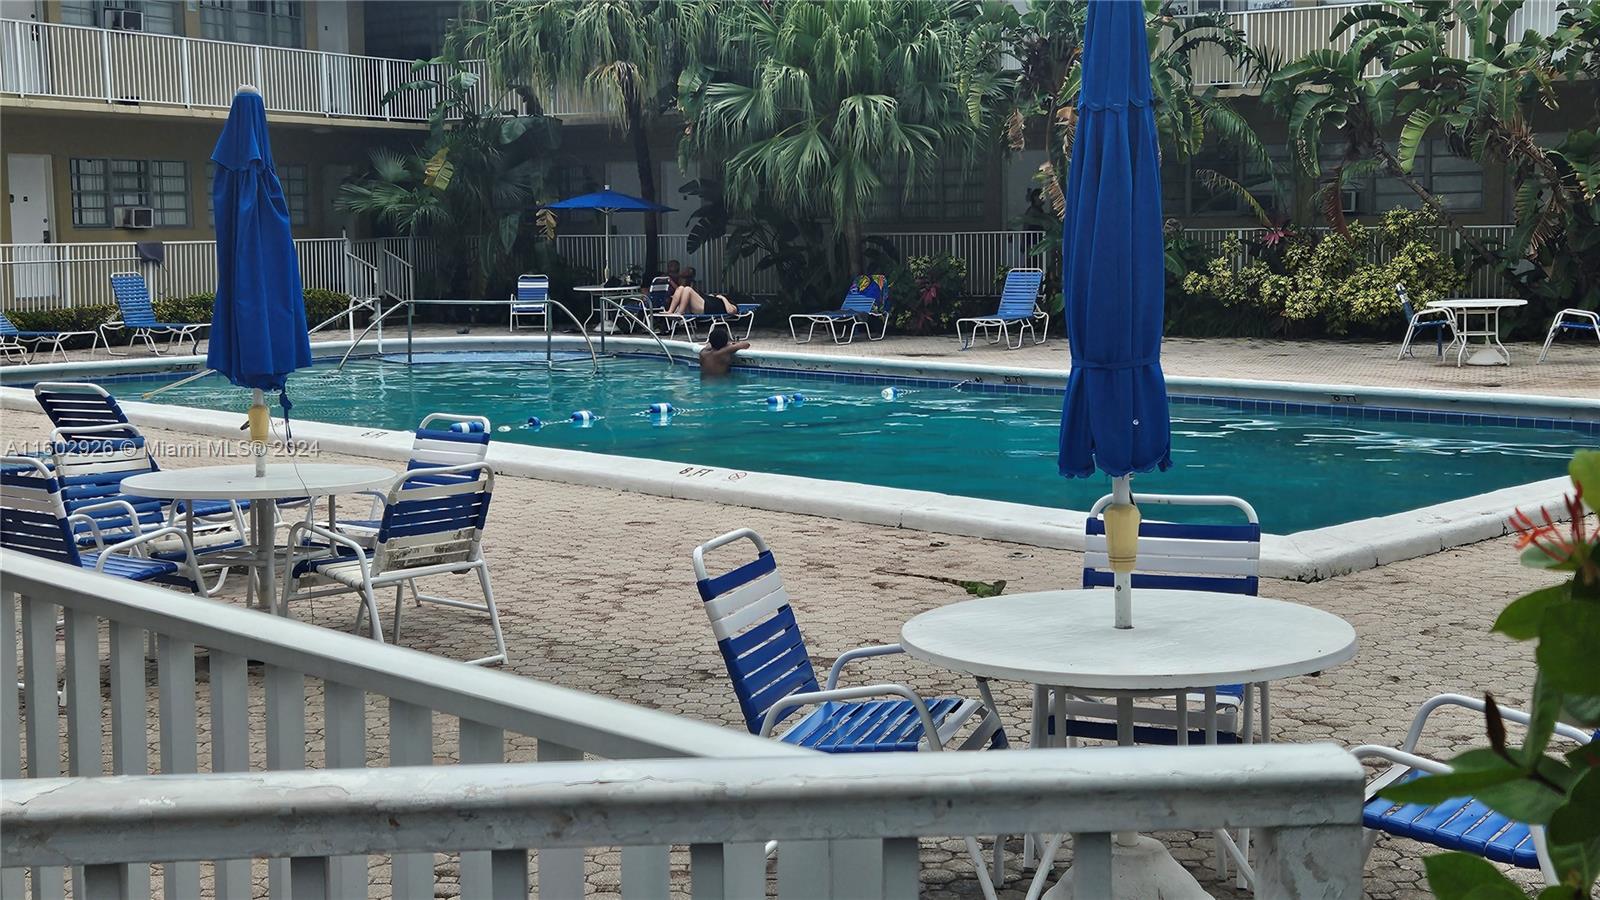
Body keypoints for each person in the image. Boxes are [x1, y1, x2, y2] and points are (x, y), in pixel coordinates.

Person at [665, 266, 737, 315]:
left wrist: (723, 298)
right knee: (681, 288)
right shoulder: (717, 299)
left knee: (688, 289)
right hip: (701, 303)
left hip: (705, 308)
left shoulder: (731, 304)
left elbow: (731, 311)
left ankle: (680, 313)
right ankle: (670, 311)